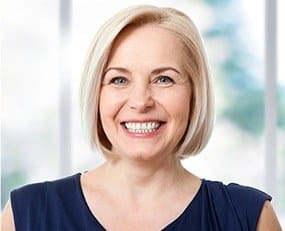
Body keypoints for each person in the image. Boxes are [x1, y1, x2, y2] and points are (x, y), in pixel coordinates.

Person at [1, 4, 282, 231]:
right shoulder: (26, 215)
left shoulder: (249, 218)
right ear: (96, 95)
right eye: (119, 80)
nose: (140, 101)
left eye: (163, 79)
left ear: (195, 94)